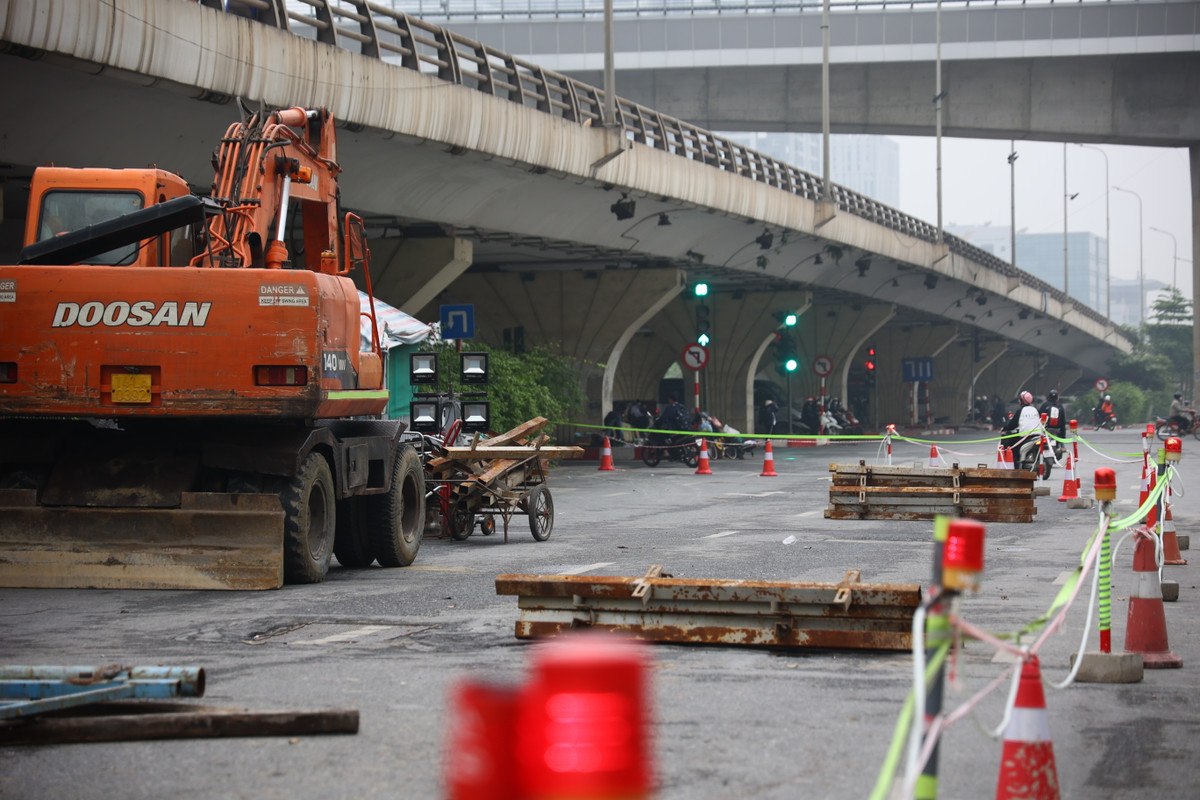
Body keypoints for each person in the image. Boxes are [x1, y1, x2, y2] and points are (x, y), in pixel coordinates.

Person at [1001, 390, 1042, 459]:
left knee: (1013, 450)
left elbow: (1013, 424)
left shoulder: (1020, 411)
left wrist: (1005, 428)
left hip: (1025, 437)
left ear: (1022, 401)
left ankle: (1016, 466)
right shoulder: (1035, 410)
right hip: (1038, 436)